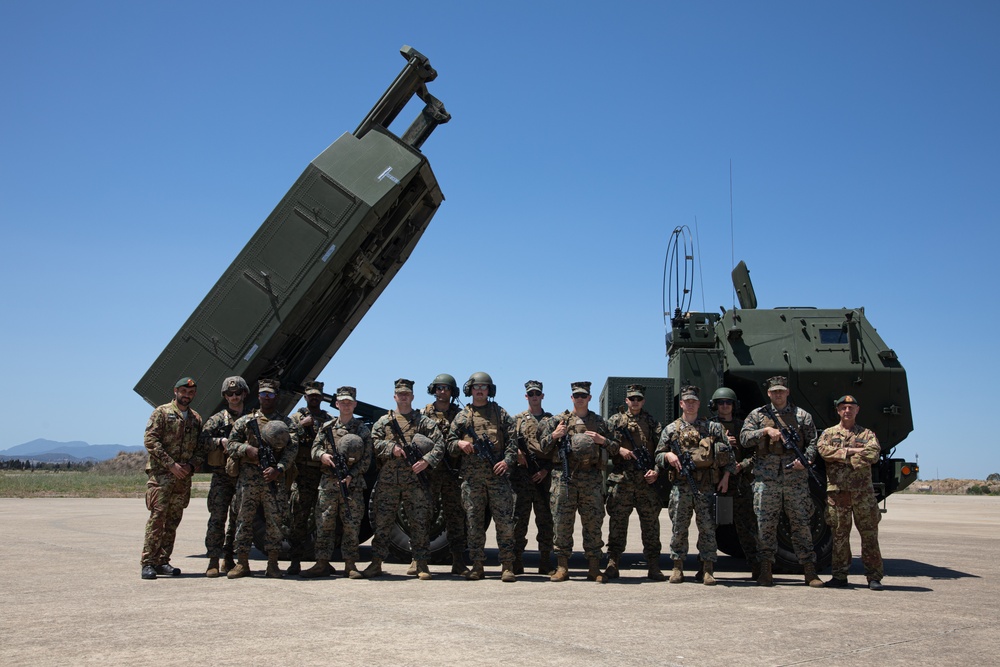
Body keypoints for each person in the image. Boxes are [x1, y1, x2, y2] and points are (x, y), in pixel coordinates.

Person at [740, 376, 823, 587]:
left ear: (787, 392)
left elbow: (813, 442)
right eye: (774, 391)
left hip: (795, 480)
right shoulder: (758, 415)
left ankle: (810, 571)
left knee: (801, 524)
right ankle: (766, 570)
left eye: (781, 391)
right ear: (769, 393)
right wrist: (765, 431)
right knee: (765, 526)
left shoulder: (802, 416)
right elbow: (744, 439)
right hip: (766, 481)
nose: (778, 394)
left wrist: (806, 460)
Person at [538, 381, 619, 583]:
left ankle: (593, 568)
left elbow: (616, 448)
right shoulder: (558, 421)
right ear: (571, 398)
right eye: (576, 396)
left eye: (584, 395)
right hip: (565, 479)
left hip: (591, 478)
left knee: (593, 523)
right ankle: (562, 567)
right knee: (562, 523)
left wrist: (603, 440)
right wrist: (555, 435)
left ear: (589, 398)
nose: (580, 399)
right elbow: (543, 447)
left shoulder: (601, 423)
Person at [365, 378, 446, 579]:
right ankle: (376, 563)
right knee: (383, 521)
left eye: (407, 394)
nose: (403, 397)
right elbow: (373, 443)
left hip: (415, 480)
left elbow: (440, 444)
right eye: (400, 394)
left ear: (412, 396)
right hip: (389, 480)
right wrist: (391, 448)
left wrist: (426, 461)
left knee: (419, 521)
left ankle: (421, 563)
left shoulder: (423, 422)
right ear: (395, 397)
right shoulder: (384, 422)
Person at [656, 385, 734, 585]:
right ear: (681, 403)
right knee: (678, 528)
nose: (690, 405)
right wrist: (668, 455)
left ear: (698, 404)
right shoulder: (671, 429)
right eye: (686, 401)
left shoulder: (712, 428)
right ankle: (677, 567)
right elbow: (657, 456)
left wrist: (725, 477)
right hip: (681, 488)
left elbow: (729, 456)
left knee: (707, 528)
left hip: (706, 486)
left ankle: (707, 568)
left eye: (694, 401)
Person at [448, 372, 518, 581]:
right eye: (476, 387)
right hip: (472, 479)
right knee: (474, 523)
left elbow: (513, 442)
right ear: (470, 389)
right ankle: (477, 565)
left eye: (484, 387)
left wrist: (506, 461)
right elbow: (449, 443)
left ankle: (507, 566)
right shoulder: (462, 416)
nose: (479, 390)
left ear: (489, 390)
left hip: (498, 478)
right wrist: (459, 444)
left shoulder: (500, 413)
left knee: (505, 522)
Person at [225, 379, 298, 579]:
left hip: (273, 479)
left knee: (275, 520)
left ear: (276, 397)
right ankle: (242, 563)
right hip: (248, 478)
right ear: (258, 396)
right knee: (243, 519)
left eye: (271, 395)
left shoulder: (286, 423)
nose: (267, 398)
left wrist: (279, 468)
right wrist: (247, 449)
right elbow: (231, 444)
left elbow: (292, 449)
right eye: (264, 394)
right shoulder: (245, 421)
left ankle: (273, 563)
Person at [302, 386, 373, 579]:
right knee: (324, 523)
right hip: (328, 483)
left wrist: (352, 475)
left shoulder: (362, 430)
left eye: (349, 402)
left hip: (352, 485)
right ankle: (322, 563)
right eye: (343, 402)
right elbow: (314, 450)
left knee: (351, 524)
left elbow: (367, 460)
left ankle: (350, 564)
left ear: (355, 404)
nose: (346, 405)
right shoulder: (327, 428)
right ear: (336, 404)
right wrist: (323, 455)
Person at [817, 395, 884, 590]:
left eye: (851, 407)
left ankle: (874, 577)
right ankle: (839, 576)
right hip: (838, 494)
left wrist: (843, 456)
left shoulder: (867, 434)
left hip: (863, 494)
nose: (847, 410)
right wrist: (852, 452)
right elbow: (824, 452)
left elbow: (873, 453)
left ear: (857, 410)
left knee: (869, 535)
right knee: (839, 535)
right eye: (843, 407)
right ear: (838, 411)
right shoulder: (828, 434)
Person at [141, 377, 204, 580]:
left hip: (182, 478)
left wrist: (191, 466)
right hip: (161, 476)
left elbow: (200, 449)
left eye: (191, 393)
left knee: (173, 520)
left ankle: (163, 561)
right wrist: (171, 464)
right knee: (157, 519)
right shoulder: (161, 412)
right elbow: (150, 440)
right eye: (184, 391)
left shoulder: (195, 419)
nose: (187, 395)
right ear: (176, 391)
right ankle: (148, 562)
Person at [605, 384, 665, 581]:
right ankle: (613, 562)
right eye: (632, 399)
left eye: (638, 399)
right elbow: (603, 444)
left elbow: (661, 450)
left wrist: (656, 471)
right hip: (622, 480)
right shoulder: (615, 421)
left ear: (643, 401)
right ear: (626, 401)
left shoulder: (652, 422)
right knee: (617, 524)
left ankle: (654, 565)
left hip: (645, 482)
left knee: (650, 526)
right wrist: (618, 450)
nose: (635, 402)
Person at [199, 376, 249, 577]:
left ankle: (229, 558)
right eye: (230, 394)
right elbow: (202, 441)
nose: (234, 397)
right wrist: (219, 441)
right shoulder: (217, 419)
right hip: (221, 475)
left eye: (238, 393)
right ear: (225, 396)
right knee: (218, 518)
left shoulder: (250, 419)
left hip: (243, 474)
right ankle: (213, 560)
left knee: (238, 519)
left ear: (244, 393)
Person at [709, 386, 761, 579]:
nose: (724, 406)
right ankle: (705, 566)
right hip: (716, 482)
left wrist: (741, 466)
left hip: (739, 483)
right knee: (709, 527)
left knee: (747, 526)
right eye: (721, 403)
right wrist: (718, 445)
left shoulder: (743, 427)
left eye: (728, 402)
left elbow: (755, 454)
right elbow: (700, 451)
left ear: (734, 405)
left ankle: (757, 566)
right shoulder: (709, 427)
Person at [422, 373, 468, 575]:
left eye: (446, 388)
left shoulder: (460, 414)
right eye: (439, 388)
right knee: (423, 516)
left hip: (452, 473)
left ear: (452, 392)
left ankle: (458, 560)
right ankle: (419, 560)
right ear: (434, 390)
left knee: (456, 517)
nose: (442, 391)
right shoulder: (424, 413)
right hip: (430, 472)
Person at [286, 381, 332, 575]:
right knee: (299, 519)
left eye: (317, 395)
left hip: (322, 475)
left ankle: (323, 560)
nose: (314, 398)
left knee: (325, 520)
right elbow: (284, 440)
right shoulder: (295, 418)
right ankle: (295, 560)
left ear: (321, 397)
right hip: (302, 475)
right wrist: (300, 427)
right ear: (305, 397)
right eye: (311, 395)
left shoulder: (329, 419)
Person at [511, 380, 554, 575]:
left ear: (542, 396)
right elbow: (508, 443)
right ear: (526, 396)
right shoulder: (517, 419)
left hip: (543, 478)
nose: (534, 396)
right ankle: (516, 561)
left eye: (537, 393)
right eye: (531, 394)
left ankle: (545, 561)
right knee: (519, 520)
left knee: (545, 521)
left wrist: (545, 470)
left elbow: (557, 449)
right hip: (522, 478)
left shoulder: (551, 420)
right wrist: (517, 453)